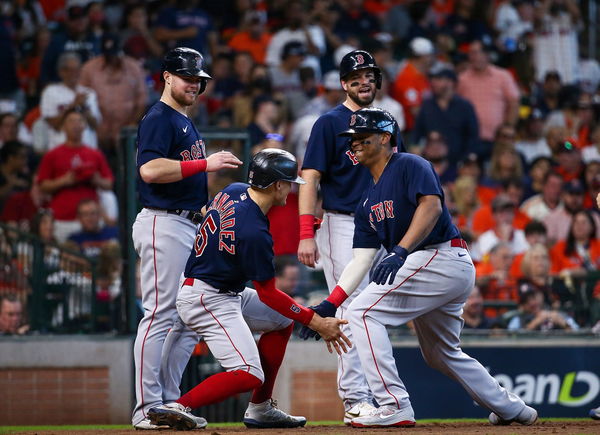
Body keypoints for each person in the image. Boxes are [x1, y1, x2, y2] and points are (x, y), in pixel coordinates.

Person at [300, 107, 537, 428]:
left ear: (385, 138)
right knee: (440, 353)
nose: (354, 144)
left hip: (440, 257)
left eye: (361, 137)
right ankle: (513, 409)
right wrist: (331, 303)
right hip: (433, 266)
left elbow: (431, 206)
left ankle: (393, 403)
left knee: (364, 313)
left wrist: (400, 250)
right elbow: (361, 260)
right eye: (351, 139)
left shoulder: (410, 164)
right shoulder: (367, 201)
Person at [147, 149, 350, 430]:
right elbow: (268, 293)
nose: (291, 189)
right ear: (277, 185)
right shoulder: (254, 231)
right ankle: (177, 406)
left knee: (281, 321)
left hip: (220, 289)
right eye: (289, 183)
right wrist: (315, 321)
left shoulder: (233, 190)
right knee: (248, 373)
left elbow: (207, 212)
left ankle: (261, 409)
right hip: (208, 297)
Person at [131, 47, 242, 430]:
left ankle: (168, 404)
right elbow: (149, 170)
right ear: (166, 77)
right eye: (187, 77)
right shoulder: (160, 117)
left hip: (186, 223)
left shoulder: (182, 119)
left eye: (198, 79)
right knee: (160, 314)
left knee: (185, 319)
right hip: (163, 222)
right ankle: (145, 407)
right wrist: (205, 164)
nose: (194, 84)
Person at [298, 50, 401, 424]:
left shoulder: (387, 121)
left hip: (382, 223)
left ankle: (376, 394)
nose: (364, 81)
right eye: (356, 76)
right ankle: (356, 397)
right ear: (343, 83)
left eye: (369, 75)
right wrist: (305, 231)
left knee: (371, 309)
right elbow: (310, 178)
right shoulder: (328, 123)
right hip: (342, 223)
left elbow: (397, 174)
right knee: (350, 308)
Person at [36, 109, 114, 243]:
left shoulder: (95, 154)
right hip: (63, 219)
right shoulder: (52, 155)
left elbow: (109, 184)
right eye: (71, 121)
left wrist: (96, 180)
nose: (76, 125)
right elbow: (42, 186)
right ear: (63, 126)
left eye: (80, 121)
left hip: (92, 218)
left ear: (85, 126)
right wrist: (64, 181)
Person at [412, 65, 479, 165]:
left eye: (438, 79)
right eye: (432, 79)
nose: (433, 83)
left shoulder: (465, 106)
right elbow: (417, 132)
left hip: (458, 163)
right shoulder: (427, 105)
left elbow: (473, 135)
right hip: (430, 163)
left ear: (450, 82)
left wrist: (467, 158)